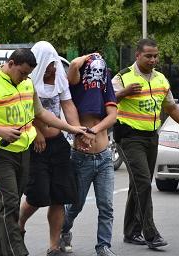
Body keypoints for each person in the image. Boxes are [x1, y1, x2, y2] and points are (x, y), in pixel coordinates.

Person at [0, 48, 85, 256]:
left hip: (24, 152)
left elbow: (41, 113)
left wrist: (72, 129)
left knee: (8, 205)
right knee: (10, 203)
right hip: (0, 154)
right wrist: (0, 131)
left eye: (28, 74)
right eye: (21, 73)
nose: (24, 78)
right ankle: (18, 252)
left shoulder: (27, 83)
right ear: (11, 64)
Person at [112, 38, 179, 251]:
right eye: (148, 56)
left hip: (151, 137)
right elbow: (104, 100)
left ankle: (130, 231)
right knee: (143, 182)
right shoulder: (123, 77)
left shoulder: (161, 79)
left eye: (155, 56)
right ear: (138, 55)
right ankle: (150, 233)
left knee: (138, 184)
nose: (153, 60)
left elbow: (171, 108)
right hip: (129, 137)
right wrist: (123, 93)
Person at [18, 41, 81, 256]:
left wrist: (76, 131)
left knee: (59, 196)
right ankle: (19, 224)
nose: (53, 69)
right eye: (49, 66)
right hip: (35, 144)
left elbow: (68, 105)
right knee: (37, 195)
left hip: (58, 143)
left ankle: (54, 246)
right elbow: (25, 111)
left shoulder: (59, 77)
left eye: (54, 65)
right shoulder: (27, 82)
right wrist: (37, 133)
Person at [60, 53, 118, 256]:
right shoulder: (74, 86)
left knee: (106, 206)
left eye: (99, 71)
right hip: (81, 157)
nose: (96, 75)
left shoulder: (104, 85)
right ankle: (63, 230)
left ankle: (103, 246)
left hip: (104, 157)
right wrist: (91, 55)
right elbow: (74, 65)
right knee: (75, 206)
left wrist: (93, 130)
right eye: (92, 71)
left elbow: (112, 116)